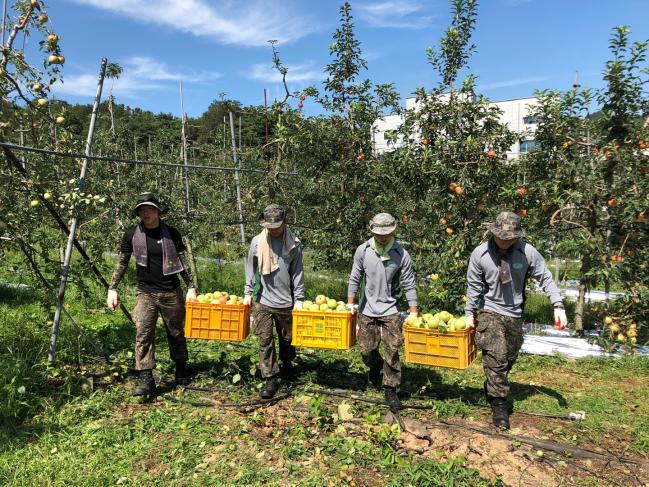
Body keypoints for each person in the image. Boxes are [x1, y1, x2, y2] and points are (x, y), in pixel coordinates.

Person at [464, 211, 567, 429]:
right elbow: (473, 285)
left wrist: (558, 305)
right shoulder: (480, 254)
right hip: (488, 310)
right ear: (493, 233)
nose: (505, 241)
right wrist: (468, 313)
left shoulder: (527, 252)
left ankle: (492, 382)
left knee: (509, 356)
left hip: (514, 313)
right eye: (501, 236)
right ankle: (499, 405)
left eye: (510, 238)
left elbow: (545, 277)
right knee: (496, 356)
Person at [106, 192, 197, 396]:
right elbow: (121, 262)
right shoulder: (131, 234)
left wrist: (191, 286)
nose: (146, 213)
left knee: (175, 332)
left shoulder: (171, 234)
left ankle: (181, 369)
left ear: (158, 211)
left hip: (170, 291)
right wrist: (112, 288)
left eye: (149, 209)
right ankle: (146, 377)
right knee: (143, 332)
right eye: (142, 210)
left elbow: (183, 262)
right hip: (145, 292)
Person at [347, 213, 418, 410]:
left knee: (393, 350)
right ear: (372, 231)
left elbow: (408, 283)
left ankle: (391, 389)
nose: (383, 237)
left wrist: (413, 311)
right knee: (366, 350)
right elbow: (355, 277)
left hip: (391, 309)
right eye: (379, 234)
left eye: (387, 233)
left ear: (394, 231)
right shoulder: (364, 250)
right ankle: (375, 367)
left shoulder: (401, 253)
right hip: (367, 308)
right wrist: (350, 302)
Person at [244, 204, 305, 399]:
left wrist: (299, 298)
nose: (272, 230)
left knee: (287, 339)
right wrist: (247, 292)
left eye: (276, 226)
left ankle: (287, 364)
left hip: (286, 300)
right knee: (265, 340)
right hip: (263, 299)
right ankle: (270, 377)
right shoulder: (257, 242)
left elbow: (297, 272)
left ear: (285, 222)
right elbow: (250, 268)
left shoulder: (293, 243)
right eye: (269, 227)